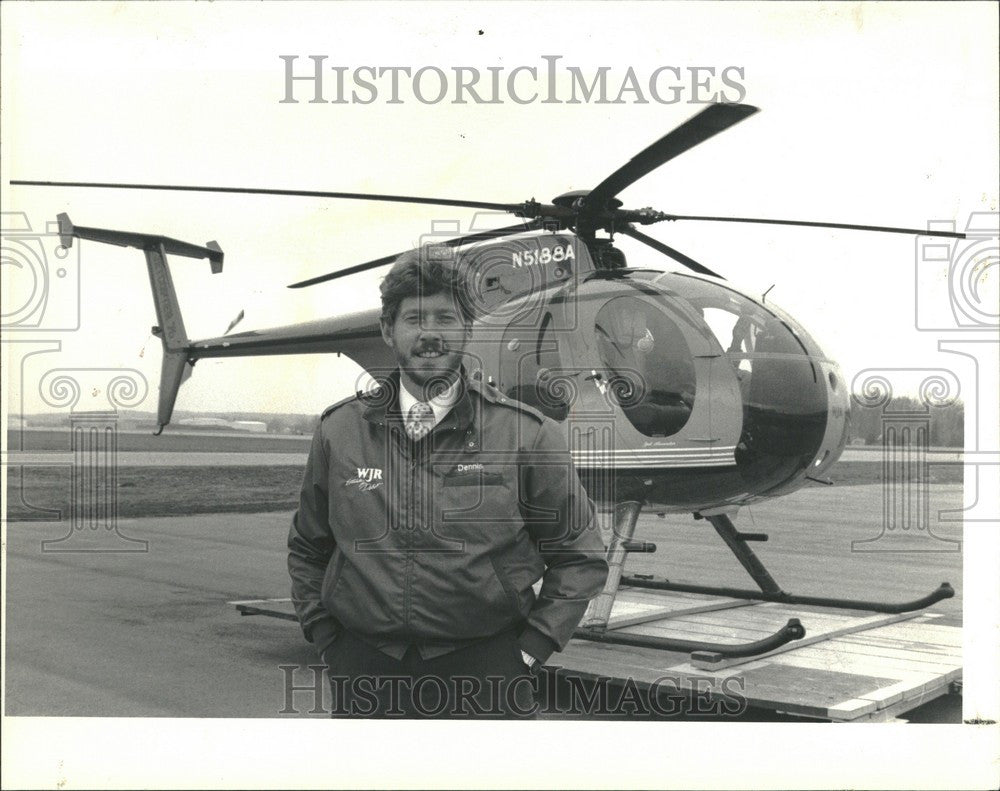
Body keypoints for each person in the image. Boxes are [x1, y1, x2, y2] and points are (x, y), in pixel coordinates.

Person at [287, 247, 608, 718]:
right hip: (365, 669)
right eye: (415, 318)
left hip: (486, 671)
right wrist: (327, 637)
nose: (431, 334)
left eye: (446, 318)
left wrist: (530, 647)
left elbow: (580, 552)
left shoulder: (527, 432)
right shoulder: (339, 430)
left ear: (468, 329)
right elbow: (308, 546)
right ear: (387, 330)